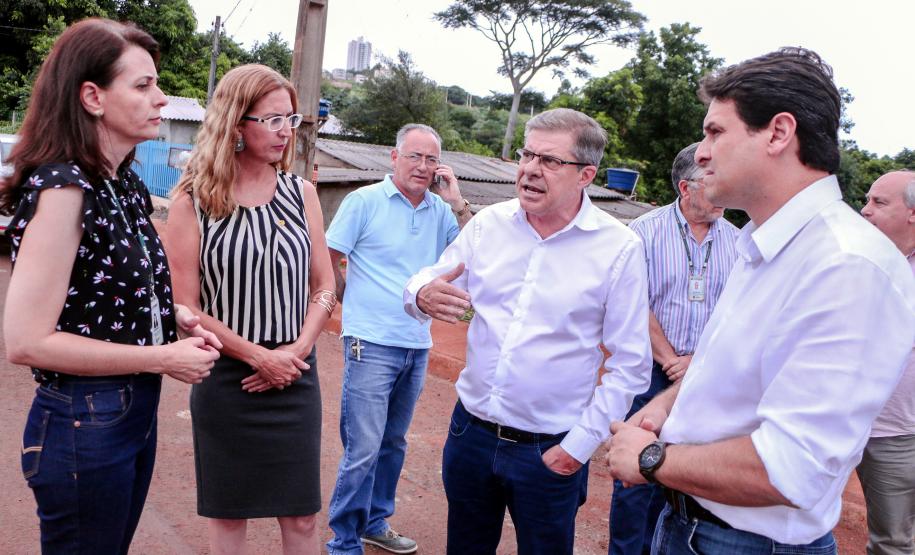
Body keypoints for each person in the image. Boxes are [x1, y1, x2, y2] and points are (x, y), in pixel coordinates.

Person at [606, 48, 915, 555]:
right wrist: (665, 409)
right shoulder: (763, 244)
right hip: (697, 526)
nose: (701, 152)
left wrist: (651, 458)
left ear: (777, 133)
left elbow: (792, 467)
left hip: (745, 543)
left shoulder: (846, 266)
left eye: (715, 132)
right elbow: (722, 372)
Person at [0, 18, 221, 555]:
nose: (162, 99)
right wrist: (163, 356)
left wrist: (169, 319)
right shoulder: (65, 188)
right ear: (93, 96)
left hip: (123, 411)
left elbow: (106, 294)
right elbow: (26, 341)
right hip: (85, 418)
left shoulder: (120, 180)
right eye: (143, 86)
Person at [404, 107, 652, 555]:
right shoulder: (489, 225)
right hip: (471, 436)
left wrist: (578, 446)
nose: (531, 171)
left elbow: (630, 365)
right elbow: (431, 277)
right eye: (527, 155)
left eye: (550, 161)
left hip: (550, 449)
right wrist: (421, 293)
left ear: (586, 175)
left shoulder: (618, 248)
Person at [166, 64, 335, 555]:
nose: (287, 132)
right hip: (228, 380)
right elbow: (187, 307)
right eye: (274, 120)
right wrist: (259, 357)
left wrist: (295, 353)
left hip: (297, 375)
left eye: (292, 120)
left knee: (302, 518)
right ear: (237, 124)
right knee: (229, 516)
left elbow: (324, 286)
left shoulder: (301, 194)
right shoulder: (194, 201)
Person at [324, 123, 471, 555]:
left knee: (392, 441)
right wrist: (346, 303)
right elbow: (331, 257)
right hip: (369, 342)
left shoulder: (442, 212)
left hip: (416, 343)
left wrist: (457, 201)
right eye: (414, 156)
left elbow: (474, 254)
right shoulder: (363, 201)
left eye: (431, 159)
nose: (422, 167)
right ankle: (344, 539)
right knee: (364, 446)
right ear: (395, 157)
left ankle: (375, 521)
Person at [609, 142, 739, 555]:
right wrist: (670, 360)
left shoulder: (739, 242)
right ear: (685, 187)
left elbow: (738, 311)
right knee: (635, 476)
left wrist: (697, 364)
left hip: (707, 376)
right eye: (711, 181)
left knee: (690, 475)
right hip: (650, 373)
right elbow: (635, 304)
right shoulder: (642, 233)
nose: (722, 190)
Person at [857, 170, 915, 555]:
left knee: (892, 542)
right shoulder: (858, 257)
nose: (864, 210)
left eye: (879, 202)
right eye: (867, 199)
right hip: (839, 418)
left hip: (896, 431)